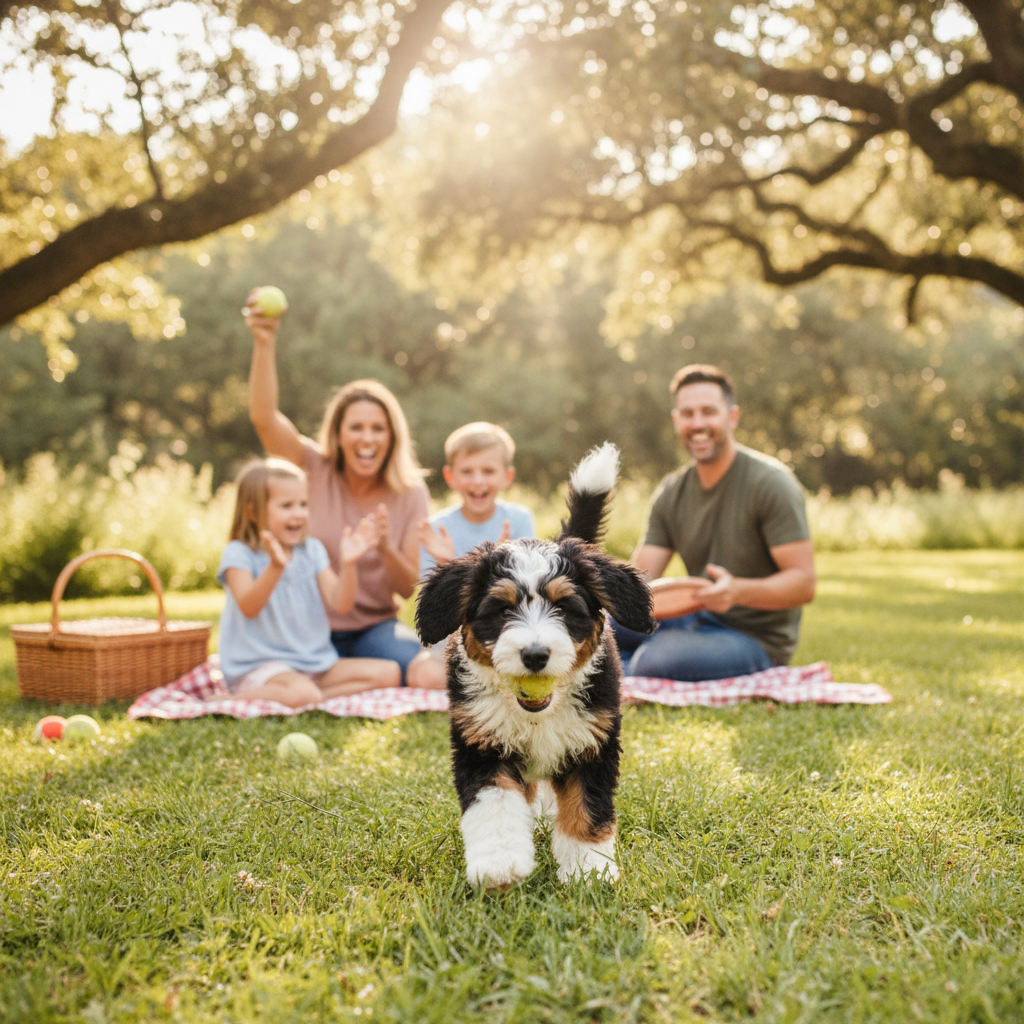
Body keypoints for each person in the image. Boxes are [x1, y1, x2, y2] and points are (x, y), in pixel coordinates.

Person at [245, 294, 444, 689]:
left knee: (422, 669)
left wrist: (385, 547)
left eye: (377, 428)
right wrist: (264, 343)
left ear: (391, 436)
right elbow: (264, 419)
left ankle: (332, 681)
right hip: (305, 628)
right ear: (338, 433)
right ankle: (316, 682)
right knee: (279, 678)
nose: (366, 438)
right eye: (356, 427)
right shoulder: (312, 468)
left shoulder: (409, 492)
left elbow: (409, 590)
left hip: (374, 630)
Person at [613, 364, 816, 681]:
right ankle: (613, 670)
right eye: (688, 413)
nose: (698, 423)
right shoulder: (671, 491)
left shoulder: (772, 483)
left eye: (708, 412)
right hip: (693, 617)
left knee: (655, 660)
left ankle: (616, 674)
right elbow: (642, 579)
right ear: (676, 420)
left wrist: (736, 592)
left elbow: (803, 584)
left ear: (732, 417)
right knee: (601, 630)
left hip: (755, 638)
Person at [217, 459, 401, 706]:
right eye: (287, 506)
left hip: (312, 663)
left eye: (303, 504)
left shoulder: (311, 550)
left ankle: (312, 699)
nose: (299, 513)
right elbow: (249, 607)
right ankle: (232, 700)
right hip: (262, 667)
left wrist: (349, 564)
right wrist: (275, 567)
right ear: (253, 512)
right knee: (301, 692)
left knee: (389, 672)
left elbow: (341, 604)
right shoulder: (239, 552)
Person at [418, 421, 535, 577]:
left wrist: (500, 562)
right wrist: (447, 563)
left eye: (488, 471)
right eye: (467, 471)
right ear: (450, 476)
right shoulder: (436, 531)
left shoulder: (519, 520)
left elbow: (529, 583)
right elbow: (431, 597)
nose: (478, 481)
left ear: (507, 477)